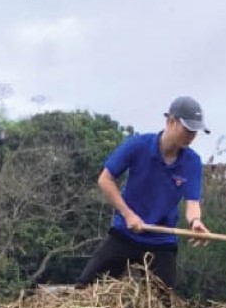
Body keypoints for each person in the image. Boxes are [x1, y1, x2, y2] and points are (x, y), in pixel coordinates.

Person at [75, 96, 211, 289]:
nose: (191, 136)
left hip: (161, 239)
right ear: (171, 121)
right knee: (84, 288)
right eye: (187, 129)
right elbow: (105, 180)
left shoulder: (192, 161)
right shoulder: (138, 145)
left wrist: (195, 221)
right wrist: (128, 215)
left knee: (166, 306)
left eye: (195, 131)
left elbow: (192, 202)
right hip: (126, 232)